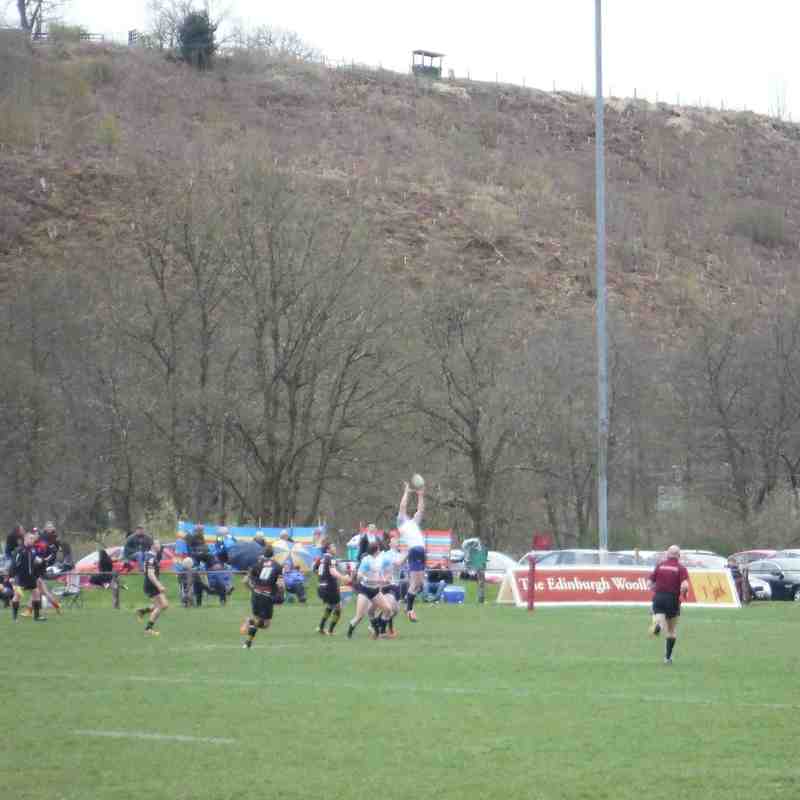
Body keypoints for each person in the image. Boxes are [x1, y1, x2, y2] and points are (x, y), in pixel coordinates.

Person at [648, 544, 690, 664]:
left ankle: (658, 626)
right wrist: (684, 594)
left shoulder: (660, 565)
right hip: (672, 599)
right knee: (671, 630)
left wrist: (656, 590)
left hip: (659, 597)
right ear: (679, 555)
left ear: (667, 554)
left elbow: (650, 582)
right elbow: (685, 585)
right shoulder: (681, 568)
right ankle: (667, 657)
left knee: (658, 619)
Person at [346, 541, 393, 639]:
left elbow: (388, 568)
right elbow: (359, 576)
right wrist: (369, 580)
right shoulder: (366, 560)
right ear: (376, 550)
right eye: (379, 549)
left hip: (375, 590)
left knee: (388, 610)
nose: (380, 550)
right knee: (359, 616)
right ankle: (349, 634)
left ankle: (380, 633)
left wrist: (386, 578)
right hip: (364, 590)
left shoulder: (381, 558)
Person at [241, 543, 283, 649]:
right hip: (267, 596)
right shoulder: (278, 566)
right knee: (265, 624)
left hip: (256, 594)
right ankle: (249, 624)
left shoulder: (257, 565)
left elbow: (245, 581)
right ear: (273, 554)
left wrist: (253, 590)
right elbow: (280, 584)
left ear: (263, 553)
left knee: (258, 619)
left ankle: (248, 642)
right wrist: (280, 594)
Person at [397, 481, 425, 622]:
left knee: (419, 584)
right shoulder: (402, 523)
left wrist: (420, 495)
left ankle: (408, 606)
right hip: (414, 551)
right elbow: (402, 507)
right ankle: (409, 610)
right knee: (415, 583)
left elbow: (420, 510)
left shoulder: (413, 523)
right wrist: (406, 492)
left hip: (421, 552)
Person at [9, 532, 49, 621]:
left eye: (33, 539)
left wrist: (42, 561)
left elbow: (35, 560)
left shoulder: (32, 550)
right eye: (31, 538)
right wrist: (11, 576)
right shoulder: (19, 550)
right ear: (25, 539)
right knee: (17, 595)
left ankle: (37, 617)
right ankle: (14, 618)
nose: (32, 540)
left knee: (36, 593)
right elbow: (14, 564)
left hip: (31, 577)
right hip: (21, 577)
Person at [136, 540, 168, 636]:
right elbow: (150, 574)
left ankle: (142, 611)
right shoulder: (151, 558)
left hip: (151, 584)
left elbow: (148, 571)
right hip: (151, 585)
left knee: (164, 605)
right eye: (158, 543)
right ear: (153, 546)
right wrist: (159, 585)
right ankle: (148, 629)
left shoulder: (151, 556)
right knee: (161, 605)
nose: (160, 545)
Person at [316, 540, 348, 635]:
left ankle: (321, 627)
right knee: (338, 608)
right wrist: (343, 577)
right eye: (333, 547)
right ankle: (330, 631)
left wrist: (323, 578)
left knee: (330, 606)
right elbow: (332, 571)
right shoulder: (330, 558)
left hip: (321, 587)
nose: (335, 548)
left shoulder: (321, 558)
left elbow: (315, 569)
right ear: (328, 549)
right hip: (330, 587)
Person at [376, 534, 404, 638]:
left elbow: (400, 566)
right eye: (394, 541)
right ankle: (382, 630)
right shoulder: (387, 554)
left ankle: (379, 624)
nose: (397, 542)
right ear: (390, 544)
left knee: (395, 610)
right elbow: (397, 563)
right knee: (390, 609)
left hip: (396, 584)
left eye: (397, 540)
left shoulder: (399, 554)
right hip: (388, 584)